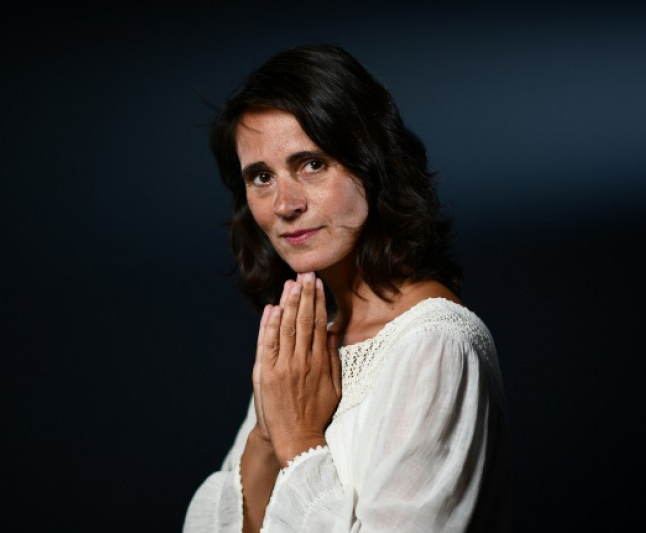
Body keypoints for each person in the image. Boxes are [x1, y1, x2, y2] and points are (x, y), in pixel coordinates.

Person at [183, 44, 510, 533]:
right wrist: (268, 439)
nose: (285, 204)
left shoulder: (435, 343)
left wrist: (298, 438)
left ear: (372, 163)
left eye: (312, 164)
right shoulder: (304, 343)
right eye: (261, 176)